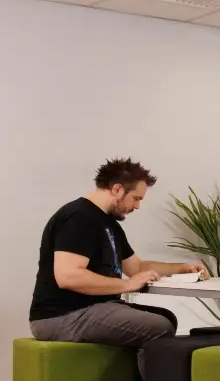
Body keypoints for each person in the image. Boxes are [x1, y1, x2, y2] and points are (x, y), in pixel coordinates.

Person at [29, 158, 208, 369]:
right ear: (117, 189)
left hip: (92, 309)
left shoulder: (109, 224)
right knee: (159, 326)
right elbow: (68, 276)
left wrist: (182, 268)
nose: (137, 206)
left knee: (165, 317)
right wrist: (126, 285)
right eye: (136, 198)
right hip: (61, 316)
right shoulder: (79, 218)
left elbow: (136, 268)